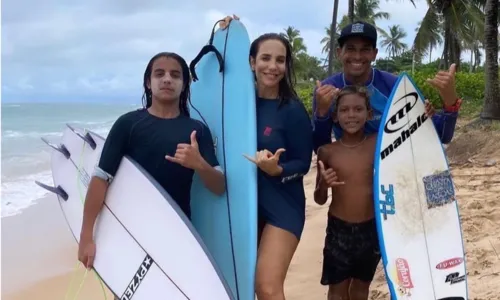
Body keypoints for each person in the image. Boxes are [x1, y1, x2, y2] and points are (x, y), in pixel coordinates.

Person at [77, 52, 226, 271]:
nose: (167, 79)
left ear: (184, 85)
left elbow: (219, 186)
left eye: (175, 75)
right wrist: (86, 236)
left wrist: (199, 164)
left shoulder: (197, 131)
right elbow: (101, 179)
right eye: (160, 74)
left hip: (178, 230)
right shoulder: (128, 124)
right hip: (130, 230)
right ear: (148, 82)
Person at [313, 85, 436, 300]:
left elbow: (411, 136)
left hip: (372, 228)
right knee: (337, 291)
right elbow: (319, 198)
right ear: (335, 116)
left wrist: (423, 115)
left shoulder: (379, 144)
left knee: (361, 289)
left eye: (358, 109)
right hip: (338, 230)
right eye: (344, 110)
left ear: (369, 114)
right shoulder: (327, 152)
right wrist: (323, 184)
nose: (351, 115)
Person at [220, 16, 314, 300]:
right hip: (241, 205)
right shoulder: (235, 103)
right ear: (251, 62)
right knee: (239, 289)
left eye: (280, 60)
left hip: (282, 206)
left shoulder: (292, 110)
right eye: (265, 58)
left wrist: (277, 169)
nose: (273, 66)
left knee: (268, 289)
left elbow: (303, 163)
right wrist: (227, 34)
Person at [313, 21, 463, 152]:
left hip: (395, 173)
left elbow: (443, 135)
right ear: (339, 53)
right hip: (353, 174)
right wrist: (322, 114)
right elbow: (321, 148)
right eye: (350, 49)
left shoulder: (396, 86)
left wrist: (450, 102)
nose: (357, 56)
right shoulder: (326, 91)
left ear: (374, 54)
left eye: (365, 49)